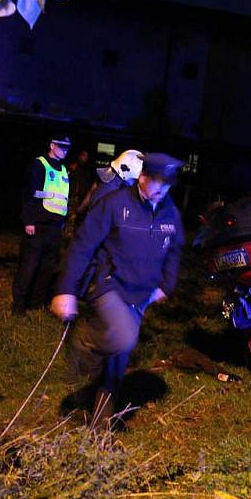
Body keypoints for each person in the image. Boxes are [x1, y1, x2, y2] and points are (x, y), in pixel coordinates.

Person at [51, 153, 185, 425]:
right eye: (156, 182)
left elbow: (174, 249)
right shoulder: (114, 204)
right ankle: (85, 342)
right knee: (124, 338)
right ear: (142, 177)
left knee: (117, 363)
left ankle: (101, 428)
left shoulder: (171, 211)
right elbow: (82, 246)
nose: (161, 190)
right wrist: (66, 290)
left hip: (142, 294)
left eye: (167, 184)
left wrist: (166, 285)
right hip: (109, 285)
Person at [11, 135, 71, 314]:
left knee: (46, 269)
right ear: (52, 145)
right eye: (61, 147)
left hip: (55, 229)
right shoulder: (39, 164)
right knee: (28, 267)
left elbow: (63, 200)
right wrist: (29, 221)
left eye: (67, 148)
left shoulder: (63, 170)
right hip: (37, 226)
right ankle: (18, 307)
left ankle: (36, 305)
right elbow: (29, 194)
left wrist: (63, 224)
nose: (64, 151)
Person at [76, 149, 144, 214]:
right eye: (135, 179)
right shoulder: (119, 193)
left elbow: (90, 193)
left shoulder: (105, 178)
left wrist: (79, 211)